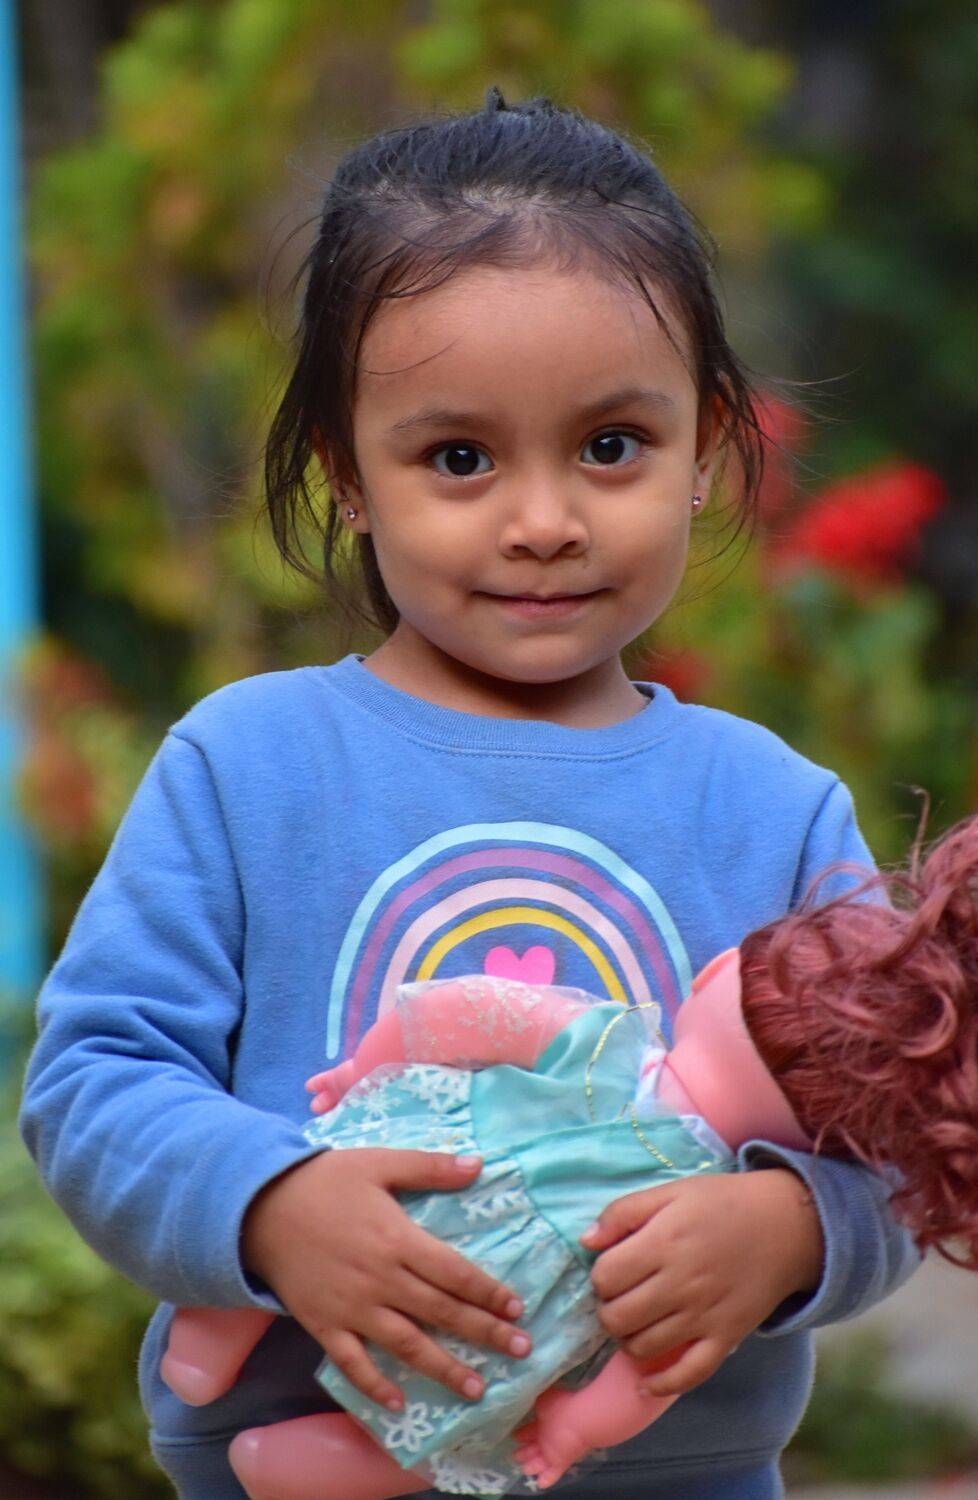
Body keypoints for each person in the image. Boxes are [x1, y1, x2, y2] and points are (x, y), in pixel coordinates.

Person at [19, 88, 921, 1500]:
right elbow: (94, 1083)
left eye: (610, 445)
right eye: (459, 458)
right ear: (348, 473)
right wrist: (268, 1207)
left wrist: (792, 1232)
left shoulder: (772, 810)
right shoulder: (248, 767)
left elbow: (911, 1136)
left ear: (702, 450)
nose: (543, 521)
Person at [160, 812, 978, 1499]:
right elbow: (653, 1365)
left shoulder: (609, 1049)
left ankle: (217, 1332)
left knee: (306, 1203)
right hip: (516, 1310)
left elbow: (465, 1011)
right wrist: (573, 1426)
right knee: (462, 1411)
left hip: (431, 1170)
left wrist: (365, 1067)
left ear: (713, 974)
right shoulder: (690, 1216)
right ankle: (312, 1459)